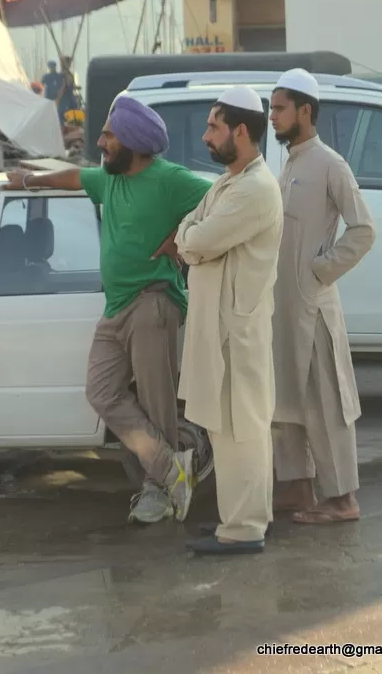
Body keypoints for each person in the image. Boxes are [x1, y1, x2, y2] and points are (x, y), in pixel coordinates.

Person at [2, 96, 211, 524]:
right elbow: (75, 176)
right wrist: (28, 180)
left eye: (109, 135)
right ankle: (174, 473)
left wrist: (182, 234)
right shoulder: (110, 179)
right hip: (116, 308)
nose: (99, 141)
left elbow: (220, 199)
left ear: (133, 142)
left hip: (154, 303)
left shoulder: (169, 179)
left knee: (157, 406)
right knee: (102, 392)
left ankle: (160, 493)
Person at [159, 86, 283, 555]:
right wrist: (191, 236)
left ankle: (244, 529)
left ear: (241, 131)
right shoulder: (229, 182)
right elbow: (189, 227)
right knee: (227, 428)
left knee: (241, 428)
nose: (207, 136)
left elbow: (194, 241)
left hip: (237, 331)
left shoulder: (253, 189)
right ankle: (245, 521)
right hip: (222, 329)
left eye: (214, 127)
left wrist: (190, 239)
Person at [269, 69, 376, 524]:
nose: (271, 117)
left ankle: (342, 499)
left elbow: (363, 230)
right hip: (281, 306)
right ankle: (296, 488)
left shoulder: (330, 163)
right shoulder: (289, 162)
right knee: (285, 399)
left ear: (305, 111)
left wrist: (320, 270)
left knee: (325, 402)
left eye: (279, 109)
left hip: (312, 306)